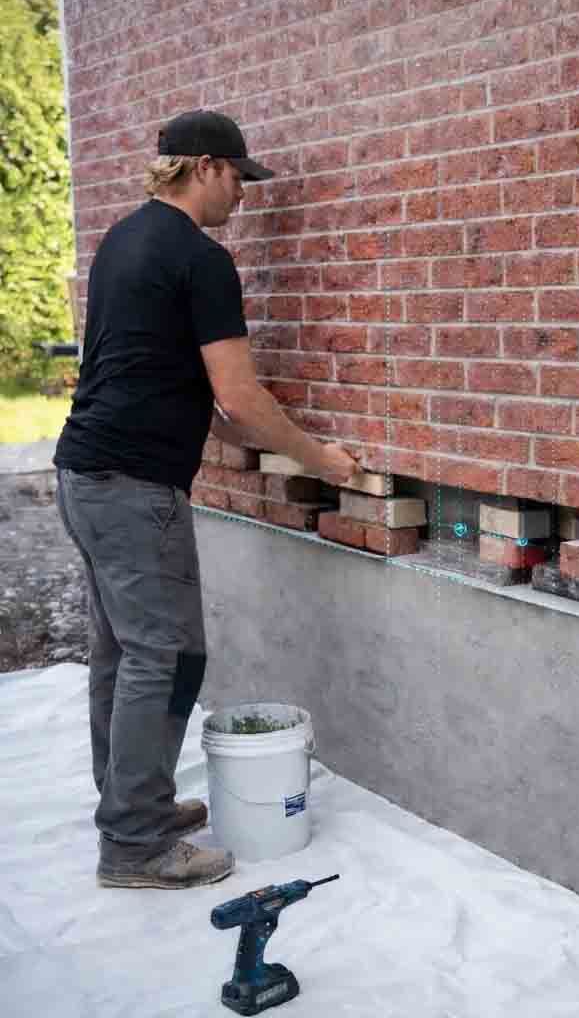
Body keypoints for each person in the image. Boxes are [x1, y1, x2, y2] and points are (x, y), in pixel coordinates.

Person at [53, 110, 361, 889]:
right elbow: (240, 397)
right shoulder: (201, 258)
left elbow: (146, 372)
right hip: (131, 487)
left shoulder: (124, 238)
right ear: (206, 168)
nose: (243, 198)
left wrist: (221, 442)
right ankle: (134, 845)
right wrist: (319, 457)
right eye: (239, 179)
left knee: (122, 653)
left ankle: (133, 801)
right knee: (167, 656)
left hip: (84, 473)